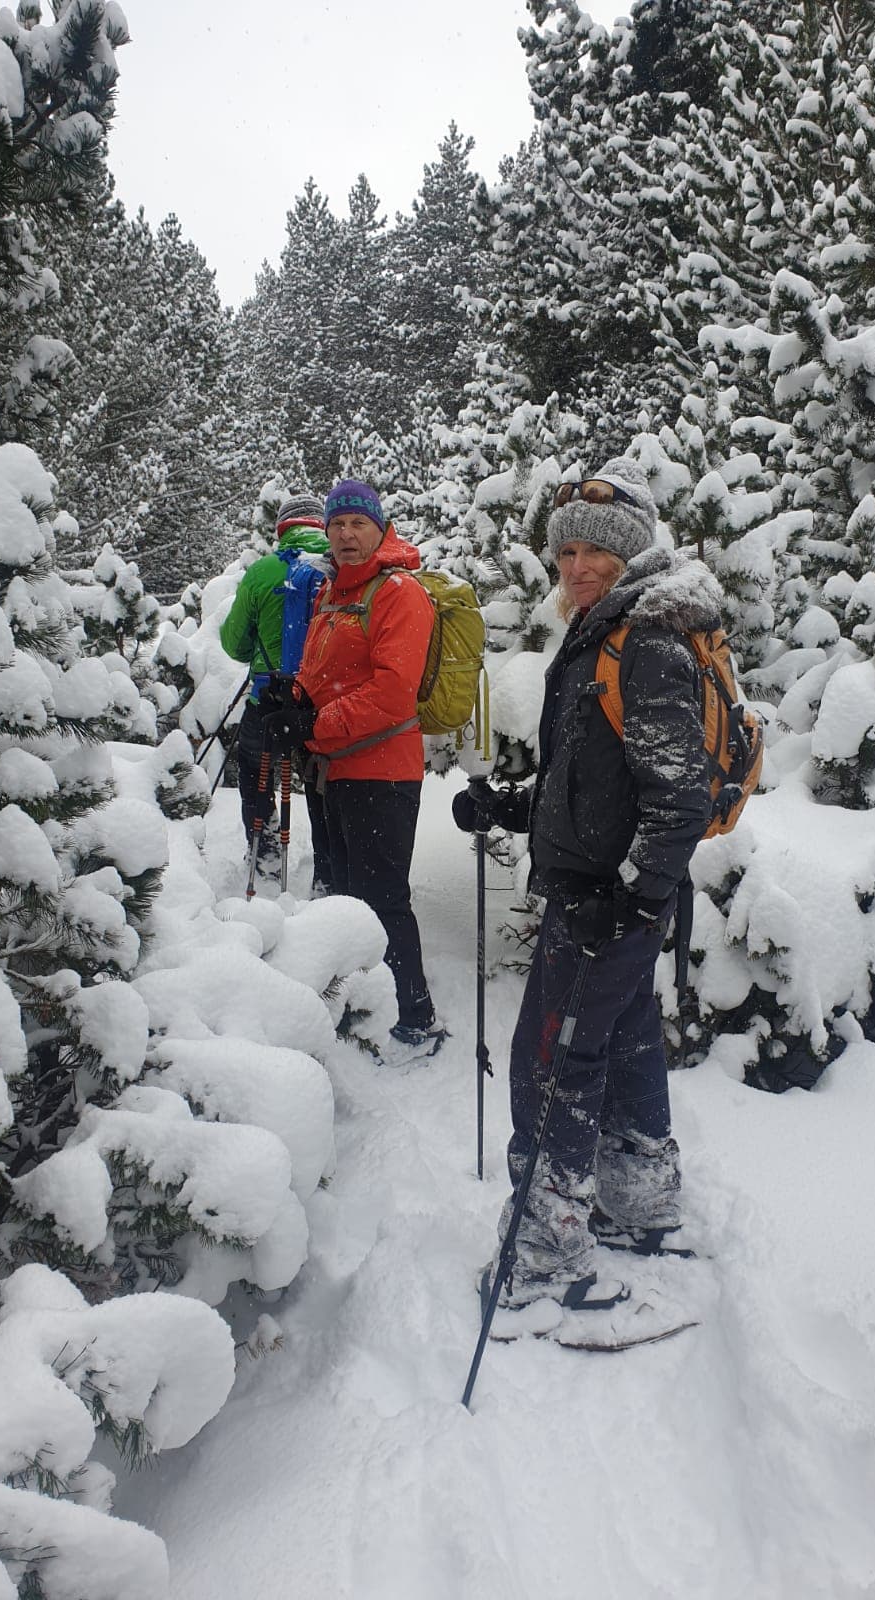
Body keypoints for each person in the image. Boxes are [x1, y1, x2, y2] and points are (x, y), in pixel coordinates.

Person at [453, 457, 719, 1315]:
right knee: (628, 1040)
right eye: (565, 551)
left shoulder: (643, 643)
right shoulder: (604, 633)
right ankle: (639, 1201)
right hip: (608, 897)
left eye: (594, 552)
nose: (575, 567)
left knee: (552, 1062)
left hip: (609, 904)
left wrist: (633, 898)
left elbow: (681, 797)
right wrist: (514, 807)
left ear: (629, 552)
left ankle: (543, 1255)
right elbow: (596, 784)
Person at [270, 478, 445, 1067]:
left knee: (382, 898)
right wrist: (291, 703)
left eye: (358, 524)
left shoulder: (399, 594)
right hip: (335, 769)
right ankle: (360, 1005)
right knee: (344, 897)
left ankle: (416, 1016)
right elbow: (323, 676)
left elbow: (394, 693)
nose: (346, 534)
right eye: (337, 524)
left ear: (380, 528)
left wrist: (312, 727)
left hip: (383, 773)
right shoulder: (333, 594)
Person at [219, 491, 332, 891]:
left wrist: (260, 652)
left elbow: (234, 643)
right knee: (326, 789)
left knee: (255, 770)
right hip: (322, 703)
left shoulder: (265, 570)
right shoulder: (338, 567)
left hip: (268, 699)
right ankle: (328, 873)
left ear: (282, 529)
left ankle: (263, 849)